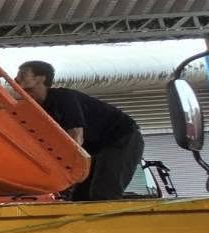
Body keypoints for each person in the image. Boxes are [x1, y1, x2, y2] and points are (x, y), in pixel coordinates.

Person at [15, 60, 144, 200]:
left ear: (41, 78)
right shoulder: (37, 109)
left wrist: (66, 169)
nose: (16, 78)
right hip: (96, 149)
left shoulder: (64, 98)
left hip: (122, 139)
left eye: (23, 74)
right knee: (80, 198)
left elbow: (76, 136)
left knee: (104, 193)